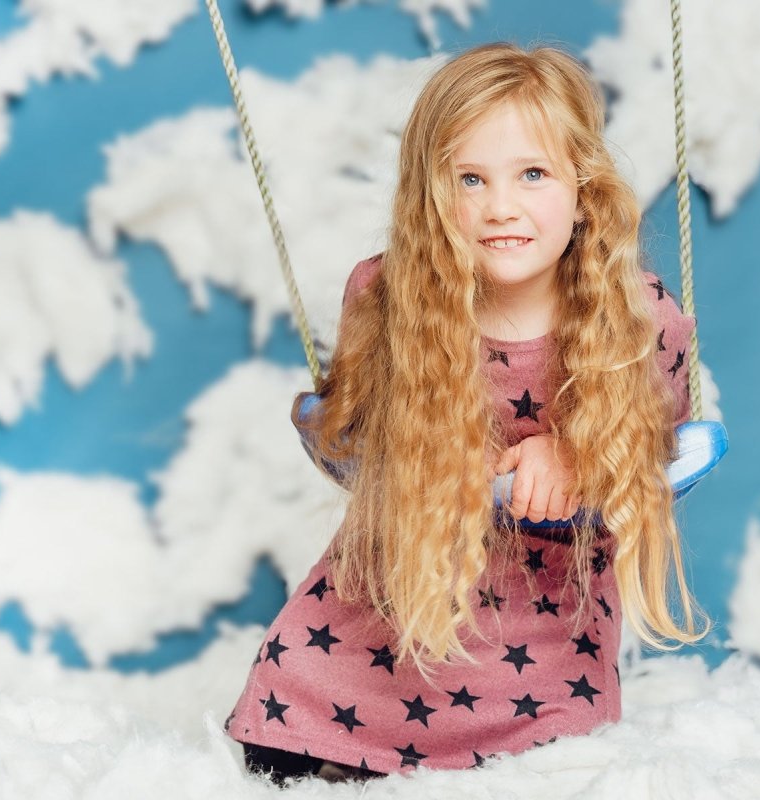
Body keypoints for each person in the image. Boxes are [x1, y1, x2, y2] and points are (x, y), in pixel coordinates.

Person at [225, 42, 709, 785]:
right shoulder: (388, 297)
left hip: (542, 648)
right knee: (286, 743)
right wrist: (438, 451)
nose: (500, 207)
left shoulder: (638, 319)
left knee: (549, 777)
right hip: (388, 615)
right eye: (470, 178)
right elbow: (348, 422)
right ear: (430, 192)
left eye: (533, 175)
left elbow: (658, 448)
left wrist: (574, 451)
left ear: (584, 188)